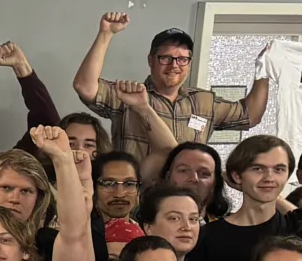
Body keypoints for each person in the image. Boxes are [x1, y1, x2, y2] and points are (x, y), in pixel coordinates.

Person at [73, 13, 269, 177]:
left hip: (188, 198)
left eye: (182, 59)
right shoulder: (128, 96)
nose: (174, 65)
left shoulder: (205, 101)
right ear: (151, 60)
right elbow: (85, 87)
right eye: (166, 58)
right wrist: (106, 33)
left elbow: (250, 115)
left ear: (189, 64)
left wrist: (264, 70)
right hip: (138, 198)